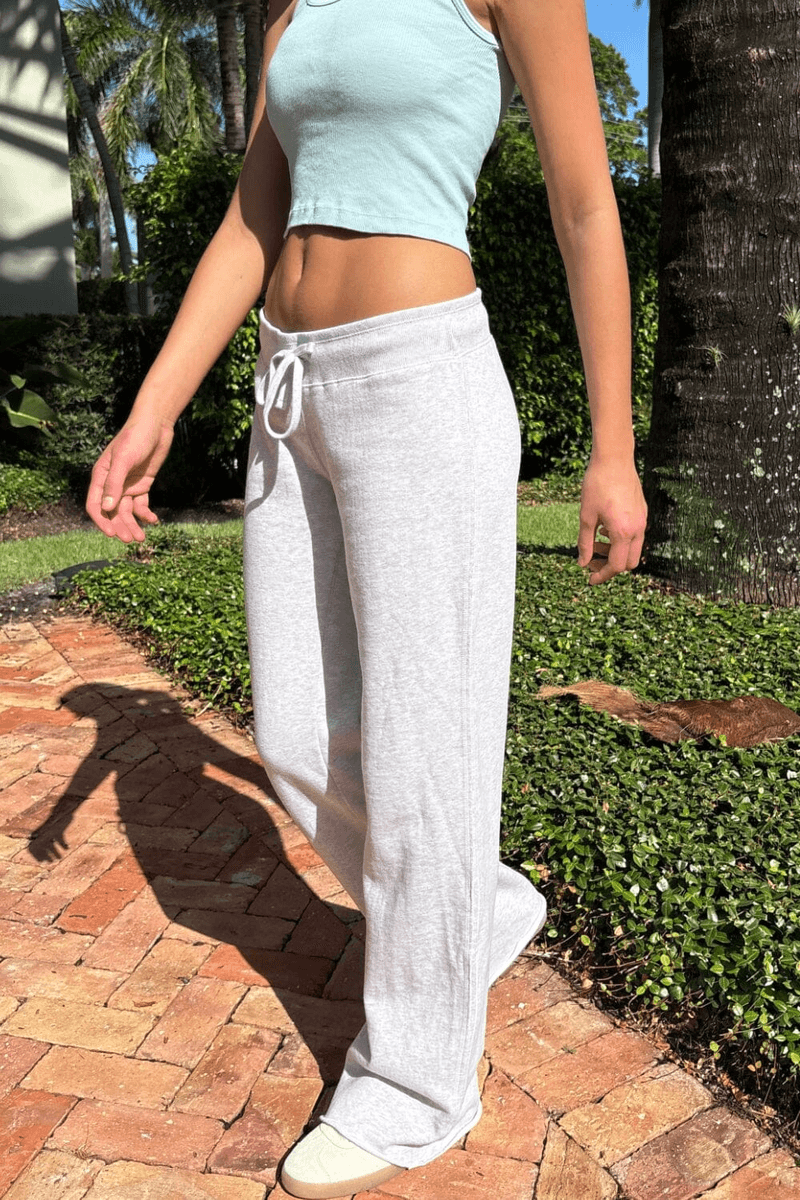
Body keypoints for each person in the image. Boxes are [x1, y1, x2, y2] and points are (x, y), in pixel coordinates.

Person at [86, 0, 648, 1195]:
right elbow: (253, 220)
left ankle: (419, 1081)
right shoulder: (295, 7)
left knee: (423, 748)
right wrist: (155, 407)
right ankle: (469, 912)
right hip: (288, 392)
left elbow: (582, 202)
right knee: (297, 735)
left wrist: (612, 447)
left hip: (419, 381)